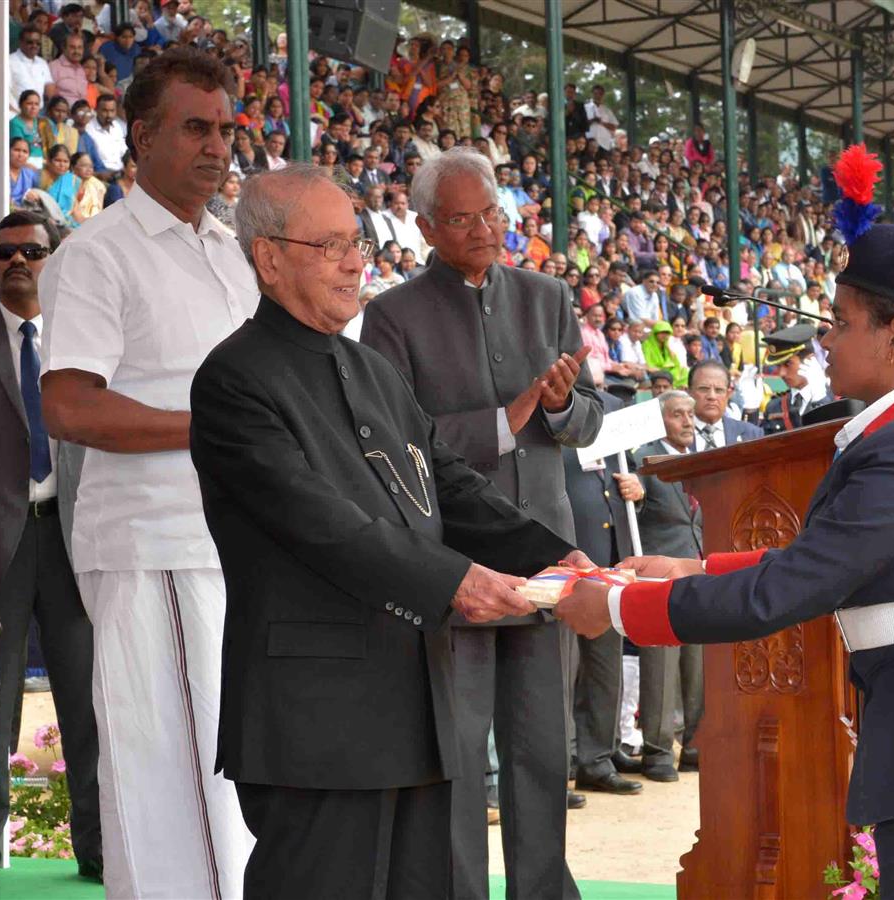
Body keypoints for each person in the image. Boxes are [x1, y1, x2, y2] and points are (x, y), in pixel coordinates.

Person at [556, 221, 894, 897]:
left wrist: (616, 606)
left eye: (840, 321)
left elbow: (792, 588)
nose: (822, 339)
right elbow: (845, 559)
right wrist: (693, 569)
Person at [191, 162, 587, 900]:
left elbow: (450, 486)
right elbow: (324, 526)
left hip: (415, 713)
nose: (353, 263)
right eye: (330, 244)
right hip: (316, 726)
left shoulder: (369, 368)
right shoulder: (233, 379)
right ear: (268, 258)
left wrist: (554, 555)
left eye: (359, 244)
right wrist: (457, 583)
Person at [38, 48, 257, 899]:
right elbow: (70, 410)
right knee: (177, 788)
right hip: (156, 544)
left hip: (240, 543)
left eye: (227, 129)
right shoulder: (99, 253)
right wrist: (218, 432)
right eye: (195, 128)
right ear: (141, 136)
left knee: (231, 790)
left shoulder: (233, 251)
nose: (216, 147)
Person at [362, 147, 603, 900]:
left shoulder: (546, 295)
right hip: (458, 564)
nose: (481, 229)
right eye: (461, 218)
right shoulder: (392, 315)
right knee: (460, 750)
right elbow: (394, 443)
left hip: (547, 554)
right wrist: (508, 418)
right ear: (428, 227)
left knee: (539, 746)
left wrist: (561, 406)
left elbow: (588, 419)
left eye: (491, 213)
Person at [0, 212, 102, 887]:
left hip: (75, 538)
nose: (18, 262)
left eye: (32, 251)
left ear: (54, 258)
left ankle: (99, 851)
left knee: (89, 706)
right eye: (5, 252)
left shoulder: (88, 338)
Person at [564, 392, 643, 797]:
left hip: (610, 573)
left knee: (604, 672)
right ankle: (564, 762)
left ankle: (596, 758)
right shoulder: (555, 449)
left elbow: (623, 512)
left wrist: (637, 491)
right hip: (564, 575)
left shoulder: (615, 456)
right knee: (563, 675)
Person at [627, 391, 704, 782]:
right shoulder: (643, 461)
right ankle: (657, 754)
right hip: (658, 580)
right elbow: (632, 506)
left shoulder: (703, 460)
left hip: (696, 574)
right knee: (659, 669)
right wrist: (637, 496)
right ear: (661, 421)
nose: (688, 421)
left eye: (690, 414)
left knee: (697, 666)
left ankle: (694, 747)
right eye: (678, 415)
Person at [762, 324, 829, 435]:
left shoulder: (835, 399)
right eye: (779, 366)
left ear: (809, 360)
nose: (781, 373)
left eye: (788, 364)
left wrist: (820, 401)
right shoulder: (773, 407)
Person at [688, 360, 762, 449]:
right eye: (704, 389)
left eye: (719, 390)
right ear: (689, 393)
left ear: (728, 394)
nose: (712, 396)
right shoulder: (672, 434)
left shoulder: (752, 435)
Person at [9, 25, 54, 114]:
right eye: (30, 42)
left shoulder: (42, 63)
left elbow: (49, 87)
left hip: (39, 113)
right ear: (21, 42)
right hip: (16, 114)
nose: (34, 45)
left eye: (38, 43)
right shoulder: (9, 61)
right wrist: (16, 117)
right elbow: (4, 93)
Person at [85, 95, 128, 177]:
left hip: (122, 173)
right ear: (96, 110)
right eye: (105, 111)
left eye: (112, 111)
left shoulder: (119, 126)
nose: (109, 115)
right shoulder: (88, 129)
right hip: (101, 175)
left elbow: (125, 153)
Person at [49, 33, 90, 106]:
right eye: (72, 47)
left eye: (79, 47)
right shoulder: (54, 67)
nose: (76, 51)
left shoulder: (81, 70)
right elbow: (50, 98)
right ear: (63, 48)